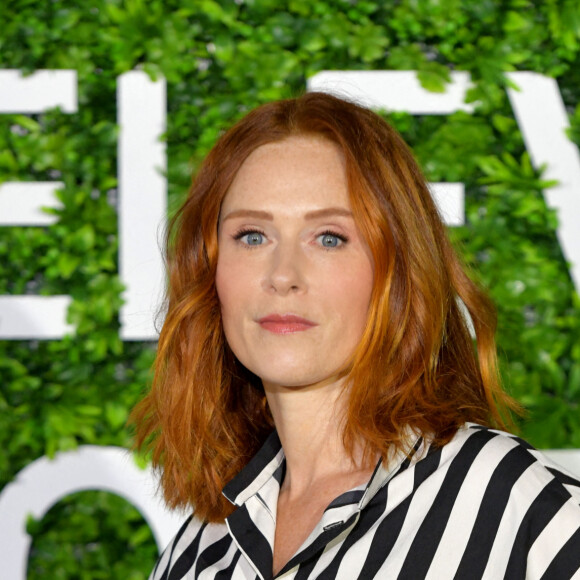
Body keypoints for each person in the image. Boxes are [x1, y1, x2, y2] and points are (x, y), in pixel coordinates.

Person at [131, 92, 580, 579]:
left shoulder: (516, 507)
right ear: (209, 269)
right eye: (252, 236)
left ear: (399, 271)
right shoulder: (199, 550)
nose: (283, 276)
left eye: (329, 238)